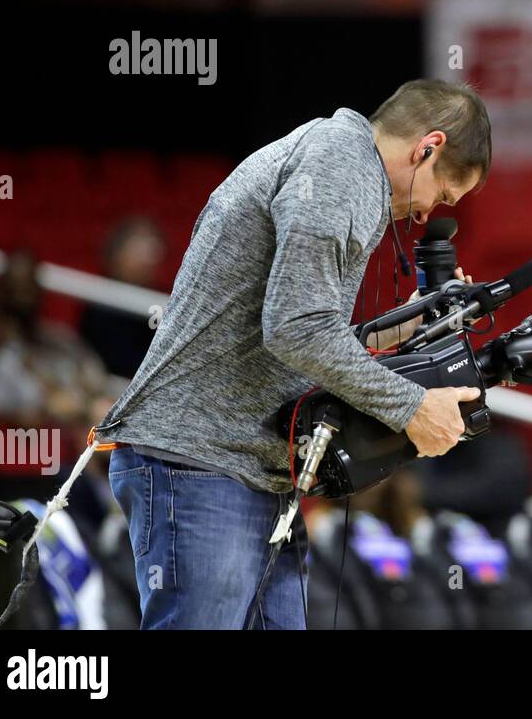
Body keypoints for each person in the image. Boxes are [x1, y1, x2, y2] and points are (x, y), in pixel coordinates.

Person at [95, 80, 492, 628]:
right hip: (200, 459)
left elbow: (298, 338)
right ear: (428, 148)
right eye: (443, 194)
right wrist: (413, 408)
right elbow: (297, 331)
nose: (426, 214)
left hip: (244, 466)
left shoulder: (339, 161)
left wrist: (406, 326)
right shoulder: (338, 167)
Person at [78, 217, 167, 377]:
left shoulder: (160, 302)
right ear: (118, 252)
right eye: (140, 245)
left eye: (152, 247)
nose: (149, 256)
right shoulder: (98, 301)